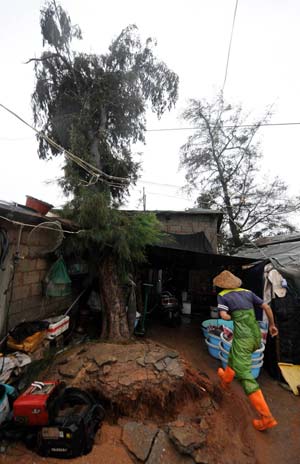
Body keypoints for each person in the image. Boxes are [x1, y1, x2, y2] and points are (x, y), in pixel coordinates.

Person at [213, 270, 279, 431]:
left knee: (244, 375)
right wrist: (272, 325)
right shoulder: (248, 292)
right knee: (234, 356)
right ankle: (225, 380)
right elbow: (266, 307)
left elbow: (223, 316)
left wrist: (232, 317)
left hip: (243, 338)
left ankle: (266, 417)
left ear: (220, 285)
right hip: (256, 336)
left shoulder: (223, 295)